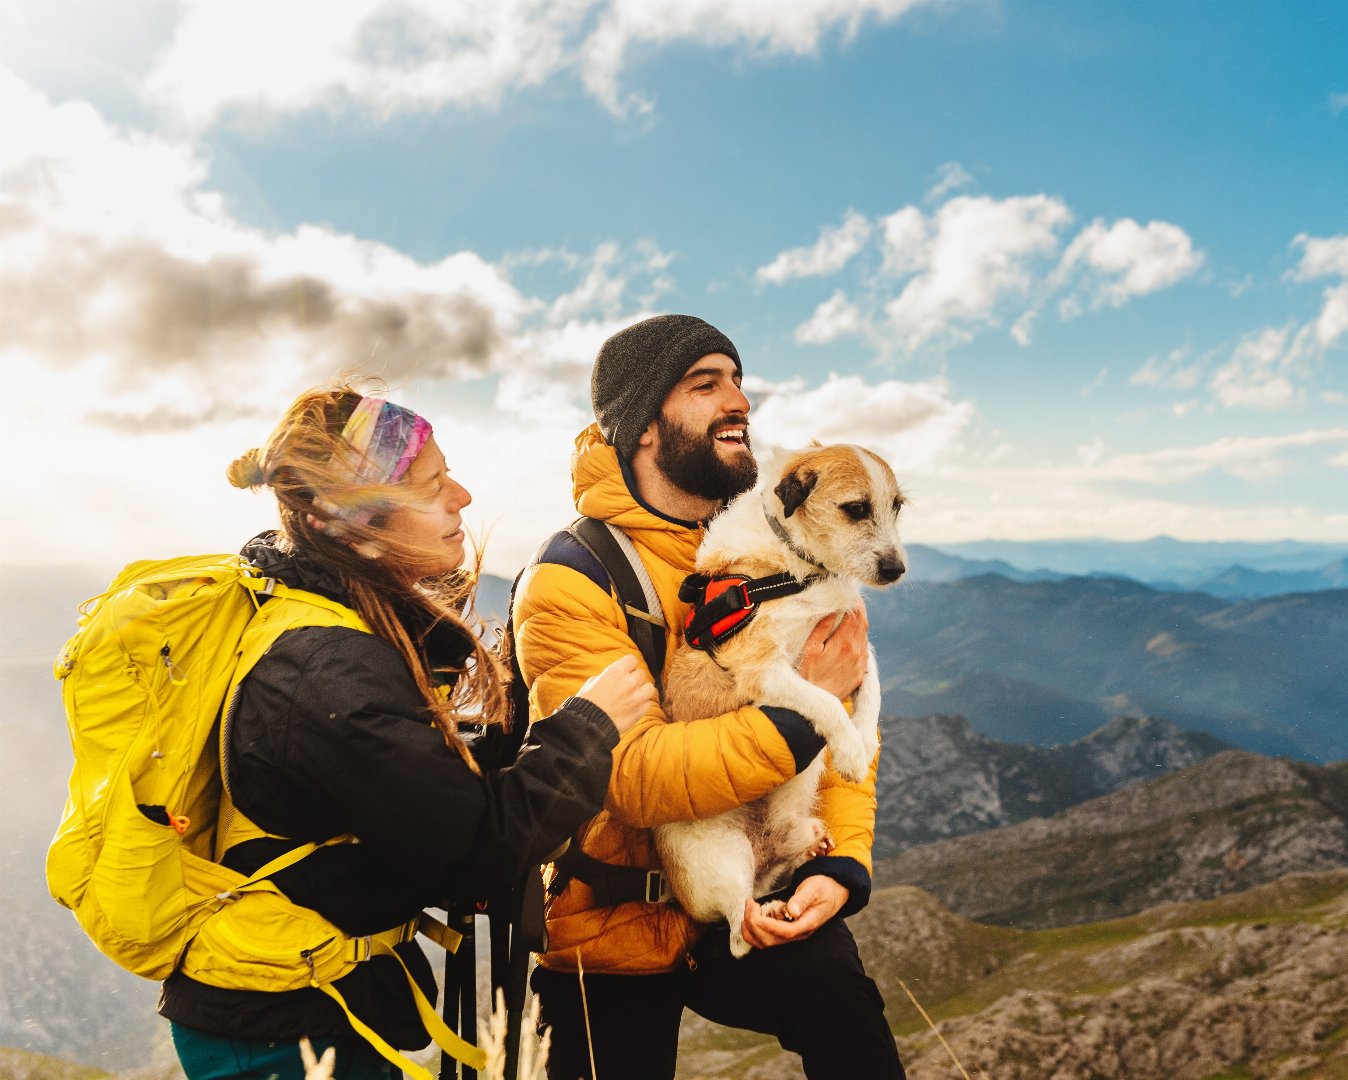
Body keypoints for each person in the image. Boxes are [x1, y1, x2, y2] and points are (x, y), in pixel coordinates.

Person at [159, 382, 655, 1080]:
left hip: (300, 998)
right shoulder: (324, 670)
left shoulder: (321, 616)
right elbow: (475, 850)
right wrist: (590, 727)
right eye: (430, 486)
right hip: (282, 1031)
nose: (463, 496)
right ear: (352, 522)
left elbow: (400, 787)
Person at [512, 315, 906, 1078]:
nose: (739, 401)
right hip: (615, 922)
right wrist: (797, 716)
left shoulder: (780, 544)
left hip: (765, 874)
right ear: (642, 425)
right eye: (705, 384)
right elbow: (628, 776)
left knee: (847, 1017)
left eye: (738, 381)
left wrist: (841, 868)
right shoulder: (572, 577)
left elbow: (850, 732)